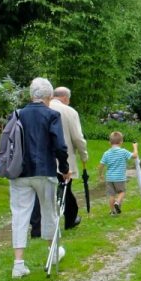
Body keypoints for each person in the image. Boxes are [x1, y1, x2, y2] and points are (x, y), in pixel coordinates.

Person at [10, 77, 69, 279]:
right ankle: (53, 255)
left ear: (30, 95)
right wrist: (65, 168)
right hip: (45, 171)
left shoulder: (17, 115)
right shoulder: (52, 115)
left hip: (19, 172)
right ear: (49, 96)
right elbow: (60, 146)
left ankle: (18, 264)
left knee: (19, 215)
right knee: (49, 212)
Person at [50, 87, 89, 229]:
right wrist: (84, 155)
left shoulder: (44, 107)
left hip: (43, 159)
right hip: (63, 159)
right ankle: (70, 219)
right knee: (65, 188)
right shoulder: (69, 111)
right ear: (66, 98)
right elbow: (78, 138)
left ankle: (41, 224)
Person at [99, 132, 137, 215]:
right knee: (122, 192)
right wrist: (135, 147)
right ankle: (117, 203)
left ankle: (112, 211)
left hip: (109, 178)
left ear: (109, 142)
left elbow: (101, 165)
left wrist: (100, 174)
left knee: (111, 195)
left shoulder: (106, 153)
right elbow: (135, 156)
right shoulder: (123, 152)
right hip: (119, 178)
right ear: (121, 142)